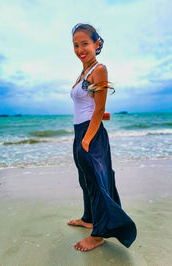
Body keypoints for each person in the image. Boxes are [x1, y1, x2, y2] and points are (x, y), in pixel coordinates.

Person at [69, 23, 137, 252]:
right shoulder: (83, 72)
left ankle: (98, 234)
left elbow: (99, 110)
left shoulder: (99, 69)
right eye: (76, 45)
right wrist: (82, 136)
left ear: (96, 44)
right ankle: (89, 218)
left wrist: (87, 139)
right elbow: (92, 106)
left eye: (84, 44)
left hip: (91, 133)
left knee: (97, 182)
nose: (80, 49)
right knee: (86, 180)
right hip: (81, 130)